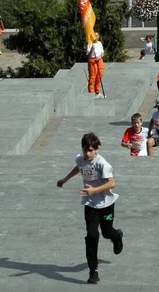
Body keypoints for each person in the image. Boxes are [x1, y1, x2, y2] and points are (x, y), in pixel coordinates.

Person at [56, 133, 124, 284]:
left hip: (106, 205)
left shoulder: (102, 164)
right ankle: (93, 271)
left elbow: (112, 183)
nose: (87, 153)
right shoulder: (81, 159)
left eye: (91, 150)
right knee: (92, 236)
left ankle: (117, 236)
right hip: (90, 205)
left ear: (97, 149)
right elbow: (78, 167)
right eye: (85, 150)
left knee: (107, 232)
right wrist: (65, 179)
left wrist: (94, 190)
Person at [87, 32, 104, 98]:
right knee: (93, 77)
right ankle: (91, 92)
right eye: (94, 36)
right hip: (92, 61)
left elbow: (102, 53)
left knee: (99, 75)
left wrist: (100, 57)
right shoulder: (90, 44)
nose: (96, 37)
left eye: (97, 36)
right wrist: (92, 50)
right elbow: (88, 56)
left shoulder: (99, 43)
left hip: (99, 60)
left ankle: (97, 92)